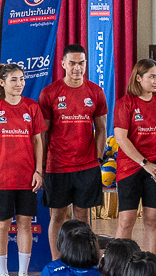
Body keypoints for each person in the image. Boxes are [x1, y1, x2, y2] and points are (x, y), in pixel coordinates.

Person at [0, 62, 45, 276]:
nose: (19, 84)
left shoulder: (32, 107)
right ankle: (3, 275)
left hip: (27, 177)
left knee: (25, 225)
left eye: (22, 79)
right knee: (2, 225)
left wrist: (39, 170)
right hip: (3, 177)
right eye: (14, 80)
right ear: (2, 83)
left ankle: (23, 275)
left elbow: (38, 141)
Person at [39, 44, 108, 258]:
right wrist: (42, 164)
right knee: (58, 216)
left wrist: (97, 159)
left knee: (82, 218)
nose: (77, 68)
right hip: (57, 166)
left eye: (81, 63)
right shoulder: (50, 93)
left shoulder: (95, 91)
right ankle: (56, 262)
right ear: (63, 64)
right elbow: (43, 133)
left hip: (86, 166)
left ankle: (83, 261)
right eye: (72, 63)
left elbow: (102, 128)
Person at [109, 58, 156, 255]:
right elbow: (121, 138)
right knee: (127, 220)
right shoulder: (125, 103)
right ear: (138, 78)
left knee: (152, 219)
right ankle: (117, 266)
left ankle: (150, 265)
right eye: (151, 76)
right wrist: (144, 163)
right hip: (131, 167)